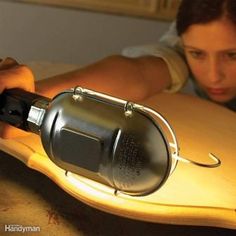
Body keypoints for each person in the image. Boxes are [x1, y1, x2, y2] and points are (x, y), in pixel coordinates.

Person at [0, 0, 236, 138]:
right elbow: (140, 73)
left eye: (232, 55)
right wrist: (29, 99)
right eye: (197, 54)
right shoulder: (192, 34)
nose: (214, 76)